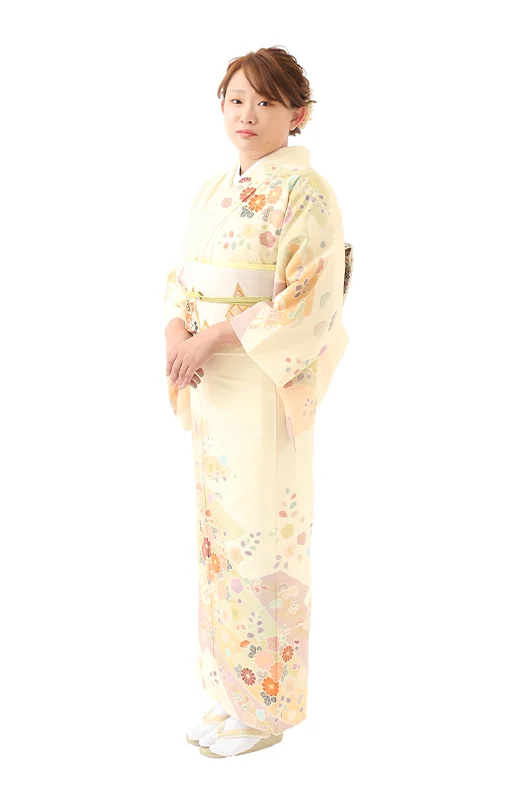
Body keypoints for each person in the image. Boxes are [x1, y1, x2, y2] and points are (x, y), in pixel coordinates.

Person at [163, 46, 350, 758]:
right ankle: (228, 690)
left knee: (263, 537)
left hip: (264, 385)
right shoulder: (213, 190)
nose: (248, 114)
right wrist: (177, 330)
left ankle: (267, 708)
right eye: (236, 99)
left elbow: (309, 300)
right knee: (220, 540)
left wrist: (212, 336)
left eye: (266, 102)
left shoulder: (308, 193)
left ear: (297, 115)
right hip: (213, 389)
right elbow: (182, 277)